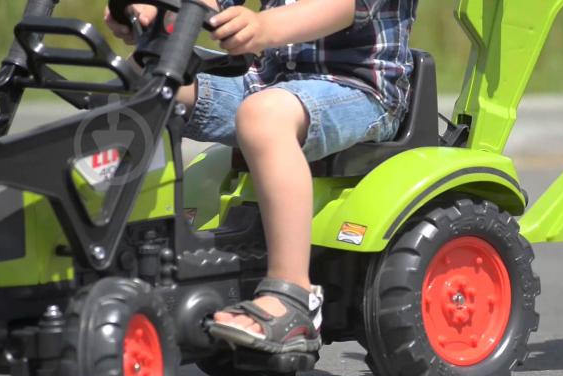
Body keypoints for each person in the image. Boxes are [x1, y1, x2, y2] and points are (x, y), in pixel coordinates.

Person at [105, 0, 417, 353]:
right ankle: (115, 249)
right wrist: (160, 14)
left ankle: (294, 296)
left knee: (263, 116)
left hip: (357, 91)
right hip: (267, 80)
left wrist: (263, 27)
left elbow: (342, 7)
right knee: (139, 79)